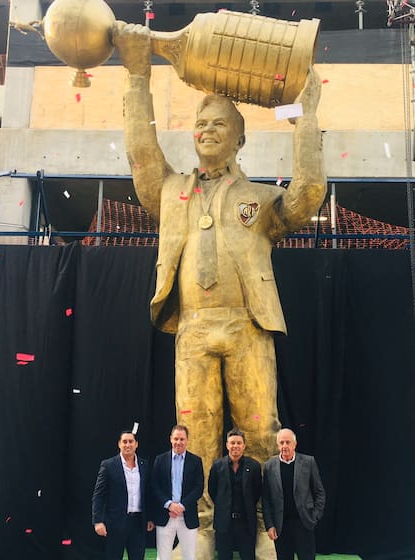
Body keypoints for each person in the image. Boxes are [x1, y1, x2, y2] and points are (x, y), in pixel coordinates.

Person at [112, 21, 326, 557]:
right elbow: (141, 157)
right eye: (199, 123)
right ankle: (201, 529)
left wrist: (305, 116)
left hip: (248, 326)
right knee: (197, 437)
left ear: (239, 136)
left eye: (218, 123)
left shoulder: (257, 199)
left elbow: (307, 196)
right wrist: (138, 76)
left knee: (261, 432)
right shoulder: (171, 192)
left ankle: (264, 527)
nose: (206, 129)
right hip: (193, 328)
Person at [262, 428, 326, 560]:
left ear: (294, 444)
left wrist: (314, 517)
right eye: (281, 442)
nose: (284, 446)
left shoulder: (308, 462)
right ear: (278, 445)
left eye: (288, 442)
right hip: (281, 526)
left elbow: (320, 493)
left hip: (304, 522)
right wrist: (270, 525)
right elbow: (266, 499)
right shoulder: (269, 466)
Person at [92, 429, 154, 560]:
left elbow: (148, 493)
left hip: (138, 523)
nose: (128, 445)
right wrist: (97, 521)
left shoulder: (144, 465)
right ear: (119, 444)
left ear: (136, 444)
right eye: (124, 442)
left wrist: (150, 518)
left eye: (131, 441)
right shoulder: (108, 465)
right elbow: (99, 495)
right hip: (115, 523)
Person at [151, 424, 204, 560]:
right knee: (163, 556)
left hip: (187, 516)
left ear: (187, 440)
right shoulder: (160, 460)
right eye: (176, 439)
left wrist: (181, 506)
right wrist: (169, 504)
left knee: (189, 556)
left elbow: (199, 487)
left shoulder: (196, 461)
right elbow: (155, 486)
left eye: (182, 439)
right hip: (165, 515)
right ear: (170, 439)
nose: (178, 442)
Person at [208, 428, 262, 560]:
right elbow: (212, 490)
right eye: (232, 443)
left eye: (238, 443)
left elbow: (257, 492)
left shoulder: (254, 466)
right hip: (224, 523)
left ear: (244, 445)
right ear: (227, 445)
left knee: (248, 556)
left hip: (246, 522)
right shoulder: (217, 466)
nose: (235, 446)